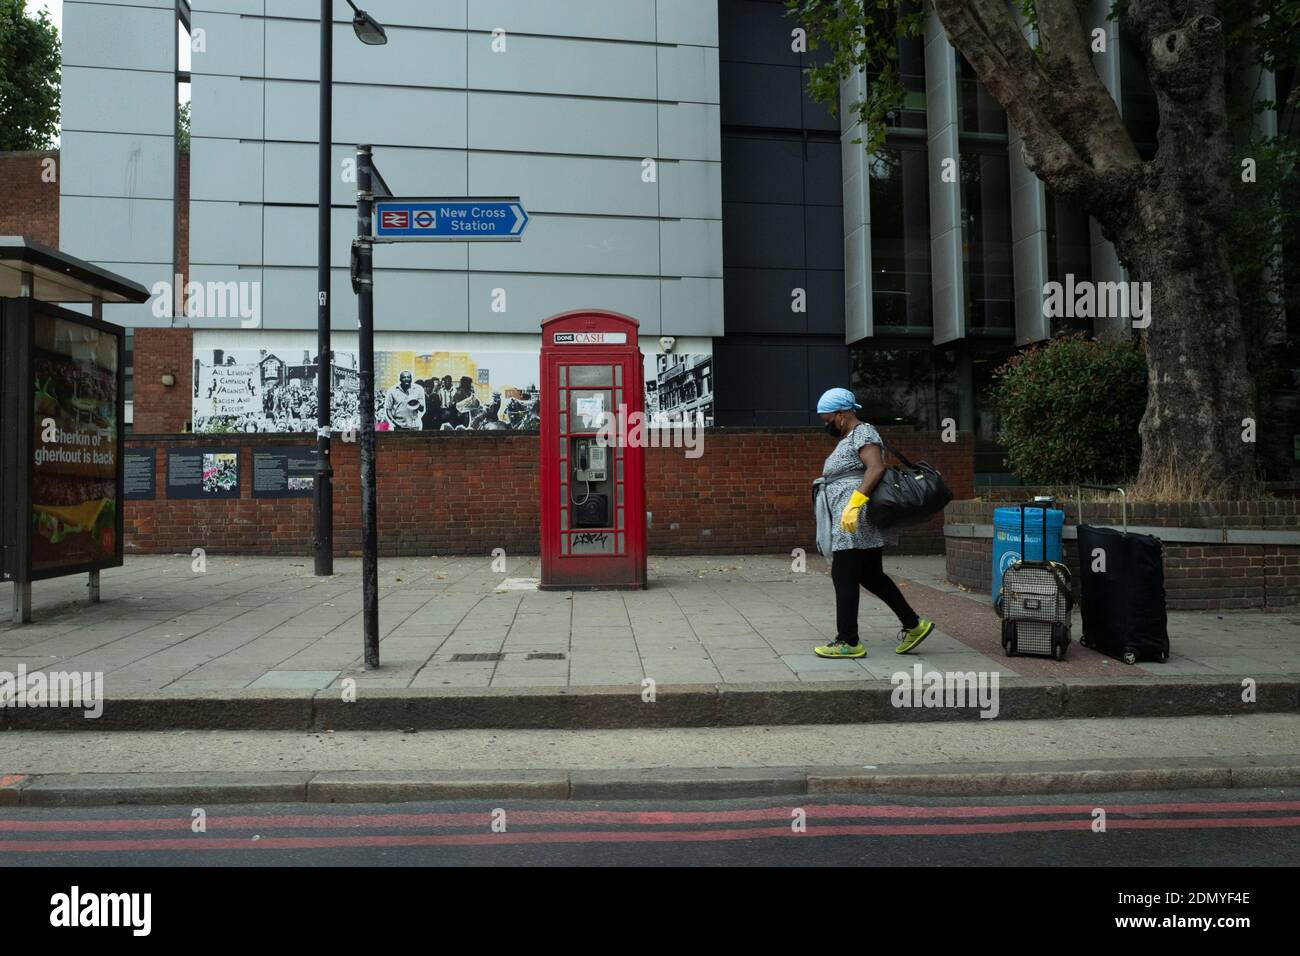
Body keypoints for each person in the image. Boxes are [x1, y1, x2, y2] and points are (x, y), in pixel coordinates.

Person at [814, 387, 935, 658]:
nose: (827, 426)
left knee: (843, 575)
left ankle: (848, 641)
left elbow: (877, 467)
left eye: (828, 420)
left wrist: (854, 504)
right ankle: (914, 625)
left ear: (842, 414)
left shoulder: (863, 432)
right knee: (871, 575)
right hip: (852, 517)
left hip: (855, 519)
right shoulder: (852, 435)